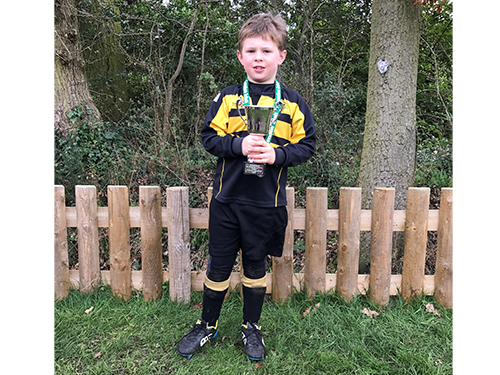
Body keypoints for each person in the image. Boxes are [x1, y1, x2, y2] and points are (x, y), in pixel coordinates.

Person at [177, 12, 316, 361]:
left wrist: (277, 154)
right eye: (251, 51)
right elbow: (209, 138)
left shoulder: (294, 103)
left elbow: (308, 146)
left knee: (255, 266)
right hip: (226, 201)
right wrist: (238, 146)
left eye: (266, 51)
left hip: (266, 205)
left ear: (281, 56)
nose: (258, 57)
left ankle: (251, 326)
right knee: (218, 266)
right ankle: (207, 324)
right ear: (240, 56)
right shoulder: (226, 99)